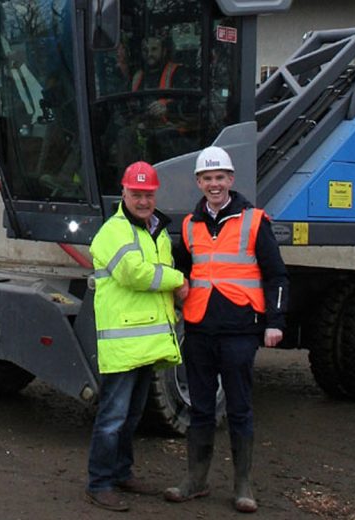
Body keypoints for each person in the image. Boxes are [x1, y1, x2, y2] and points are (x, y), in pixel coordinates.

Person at [163, 146, 289, 513]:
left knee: (239, 408)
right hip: (200, 328)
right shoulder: (189, 225)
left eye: (220, 177)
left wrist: (275, 323)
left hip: (240, 329)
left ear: (230, 180)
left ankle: (243, 484)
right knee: (200, 408)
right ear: (199, 182)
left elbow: (277, 275)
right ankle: (196, 480)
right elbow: (181, 273)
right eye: (207, 178)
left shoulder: (254, 221)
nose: (214, 184)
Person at [85, 161, 190, 512]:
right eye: (136, 194)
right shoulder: (113, 231)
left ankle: (121, 472)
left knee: (131, 416)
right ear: (124, 192)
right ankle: (99, 482)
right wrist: (178, 281)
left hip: (145, 341)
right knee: (113, 416)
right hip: (122, 343)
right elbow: (134, 274)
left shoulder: (155, 230)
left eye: (148, 194)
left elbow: (153, 273)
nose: (143, 201)